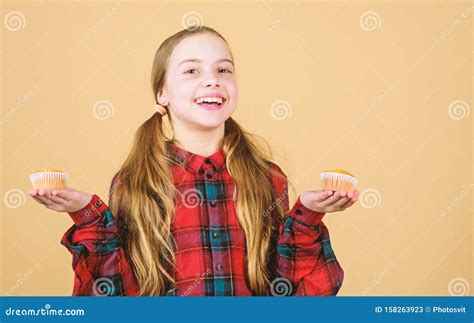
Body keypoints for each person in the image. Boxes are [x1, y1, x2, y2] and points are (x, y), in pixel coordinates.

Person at [28, 26, 359, 296]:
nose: (212, 79)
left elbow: (287, 295)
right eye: (191, 70)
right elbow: (116, 299)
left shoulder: (267, 179)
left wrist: (309, 216)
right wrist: (90, 217)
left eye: (223, 69)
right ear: (162, 94)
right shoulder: (135, 183)